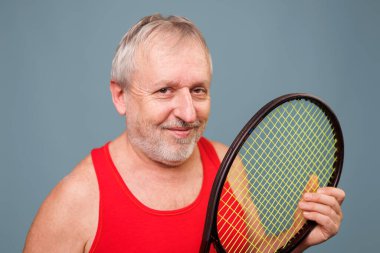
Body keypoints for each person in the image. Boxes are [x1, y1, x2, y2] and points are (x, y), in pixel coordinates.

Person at [23, 14, 345, 253]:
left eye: (198, 90)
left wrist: (299, 237)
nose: (188, 113)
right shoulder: (74, 201)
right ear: (120, 96)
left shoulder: (225, 163)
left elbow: (254, 251)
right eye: (165, 90)